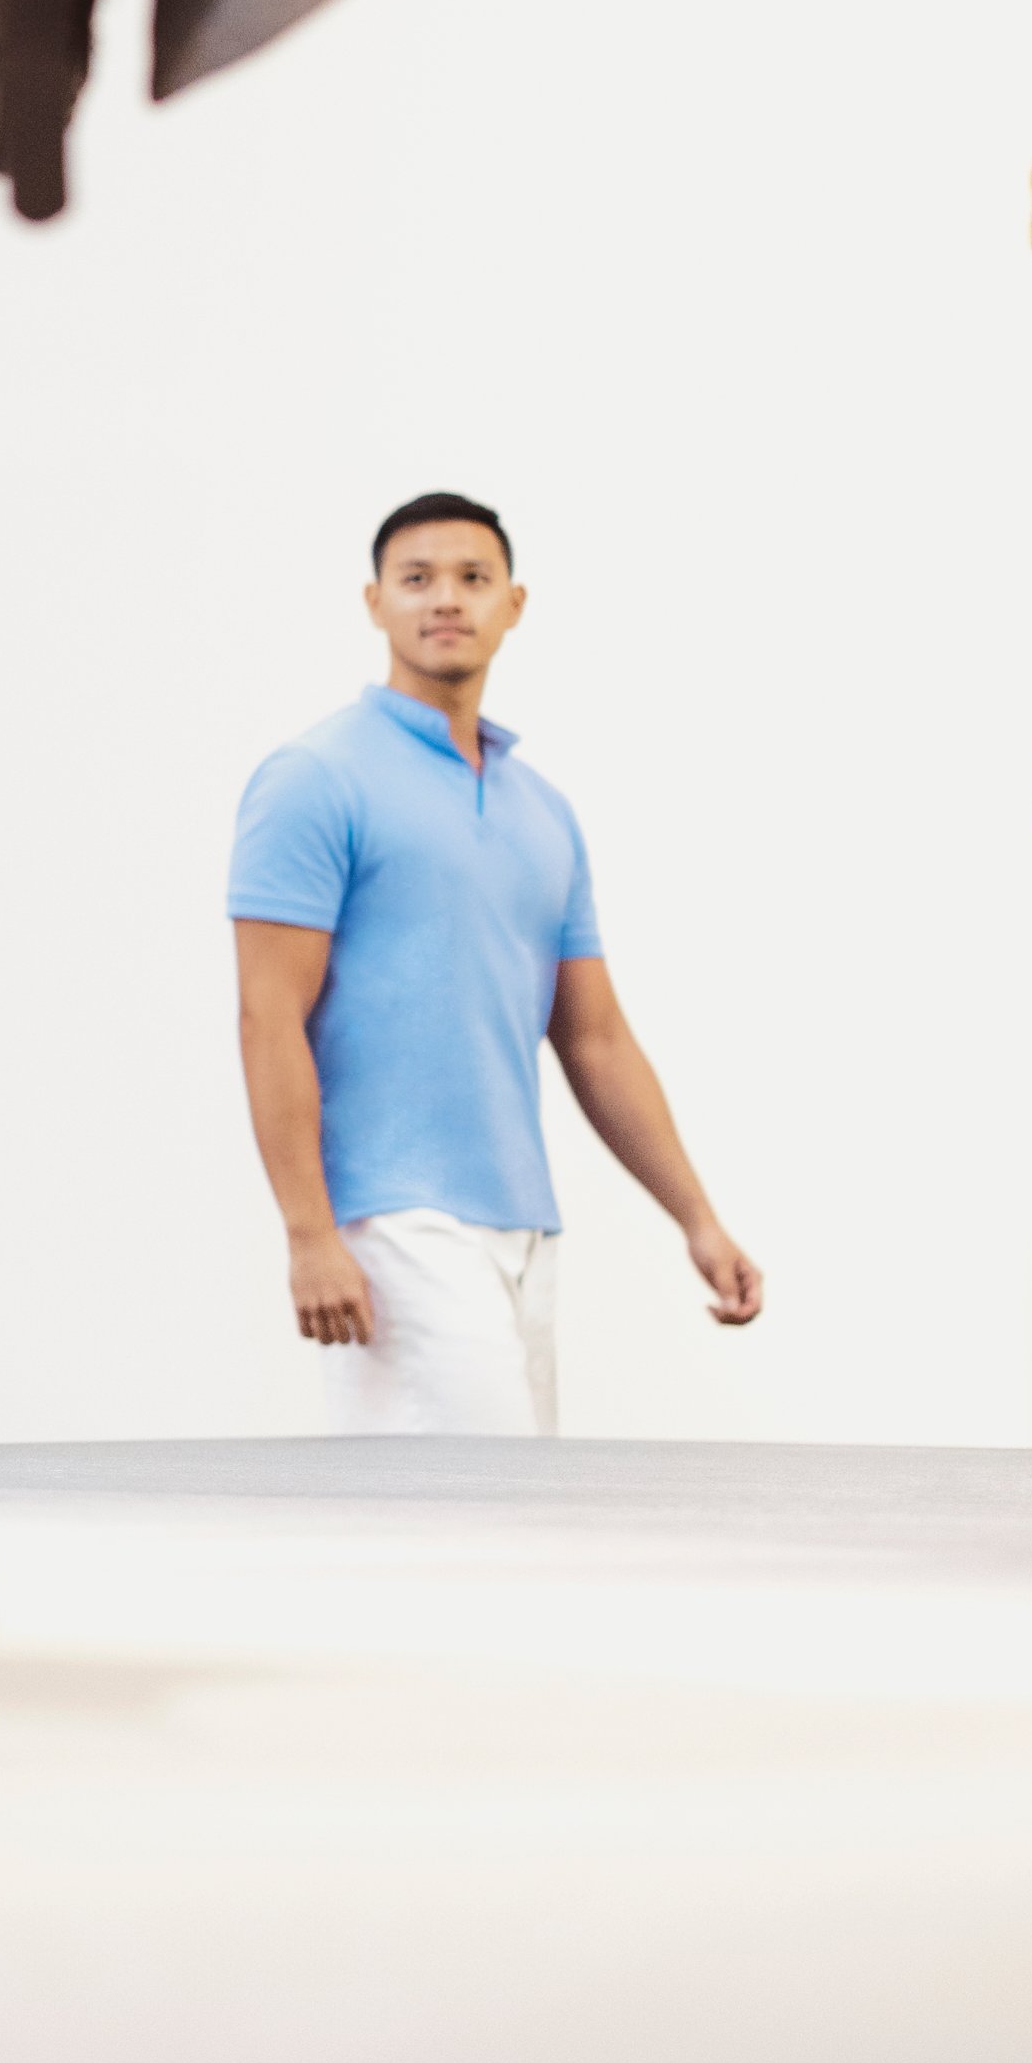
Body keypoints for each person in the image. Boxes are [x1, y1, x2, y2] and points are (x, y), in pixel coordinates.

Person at [228, 493, 762, 1432]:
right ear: (374, 601)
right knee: (461, 1518)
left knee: (508, 1526)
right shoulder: (314, 778)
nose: (447, 599)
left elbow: (595, 1040)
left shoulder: (541, 810)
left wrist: (699, 1219)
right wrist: (310, 1231)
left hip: (522, 1225)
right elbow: (268, 1015)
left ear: (513, 604)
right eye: (418, 578)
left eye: (474, 579)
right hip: (389, 1221)